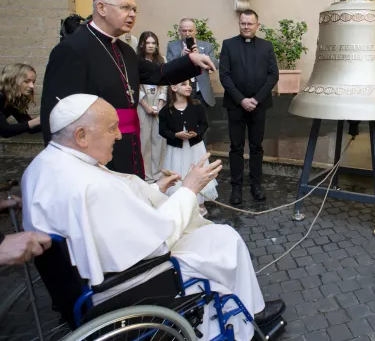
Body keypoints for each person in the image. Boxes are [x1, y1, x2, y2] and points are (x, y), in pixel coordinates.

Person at [22, 94, 285, 340]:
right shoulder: (88, 185)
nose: (119, 135)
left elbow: (115, 211)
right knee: (224, 237)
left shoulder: (44, 165)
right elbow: (157, 241)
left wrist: (155, 190)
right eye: (111, 128)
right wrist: (189, 190)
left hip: (83, 286)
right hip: (131, 282)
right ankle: (249, 316)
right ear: (81, 135)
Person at [40, 0, 216, 178]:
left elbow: (157, 73)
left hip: (129, 140)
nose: (132, 14)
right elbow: (56, 112)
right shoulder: (72, 49)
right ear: (101, 8)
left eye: (134, 9)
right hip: (93, 150)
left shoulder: (125, 50)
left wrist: (190, 60)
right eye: (125, 8)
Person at [219, 9, 279, 205]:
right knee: (236, 148)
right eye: (243, 23)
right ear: (239, 23)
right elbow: (224, 75)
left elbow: (273, 75)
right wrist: (241, 100)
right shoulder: (228, 45)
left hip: (259, 106)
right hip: (235, 106)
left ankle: (256, 185)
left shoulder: (266, 46)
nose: (246, 27)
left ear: (257, 25)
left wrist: (256, 99)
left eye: (250, 23)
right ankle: (236, 188)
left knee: (256, 147)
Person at [159, 81, 218, 217]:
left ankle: (200, 202)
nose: (189, 86)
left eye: (189, 84)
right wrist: (175, 135)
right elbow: (162, 130)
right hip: (177, 150)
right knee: (180, 171)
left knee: (196, 170)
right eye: (183, 84)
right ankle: (182, 204)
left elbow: (204, 124)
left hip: (195, 148)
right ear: (174, 87)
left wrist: (197, 132)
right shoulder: (167, 110)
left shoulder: (196, 106)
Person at [136, 31, 167, 182]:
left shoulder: (162, 60)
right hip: (143, 103)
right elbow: (134, 86)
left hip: (158, 100)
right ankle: (146, 176)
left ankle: (158, 174)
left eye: (153, 43)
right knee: (144, 141)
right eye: (147, 43)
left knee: (159, 141)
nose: (150, 46)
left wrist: (160, 103)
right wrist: (146, 106)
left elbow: (166, 84)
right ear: (142, 44)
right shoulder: (136, 61)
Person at [166, 18, 217, 107]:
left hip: (201, 92)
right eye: (184, 31)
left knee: (202, 120)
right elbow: (168, 67)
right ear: (179, 31)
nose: (187, 34)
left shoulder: (207, 46)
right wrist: (181, 56)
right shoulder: (172, 46)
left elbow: (215, 64)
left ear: (195, 31)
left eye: (190, 30)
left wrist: (200, 56)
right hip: (180, 94)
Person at [0, 63, 41, 138]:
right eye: (26, 81)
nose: (32, 86)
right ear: (12, 80)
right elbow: (4, 131)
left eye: (33, 82)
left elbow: (30, 128)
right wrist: (39, 120)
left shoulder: (12, 100)